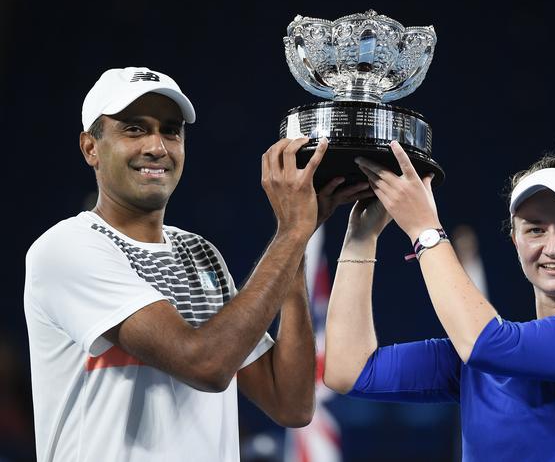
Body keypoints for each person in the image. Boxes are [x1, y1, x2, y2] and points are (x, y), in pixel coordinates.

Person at [23, 66, 369, 462]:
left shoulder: (200, 254)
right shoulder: (67, 248)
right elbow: (205, 363)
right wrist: (290, 233)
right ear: (91, 148)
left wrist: (299, 238)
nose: (157, 147)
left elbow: (291, 403)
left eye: (171, 131)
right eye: (134, 129)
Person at [323, 141, 555, 461]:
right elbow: (348, 371)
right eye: (535, 230)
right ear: (515, 241)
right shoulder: (483, 365)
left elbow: (486, 342)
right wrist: (361, 238)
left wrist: (425, 230)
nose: (553, 248)